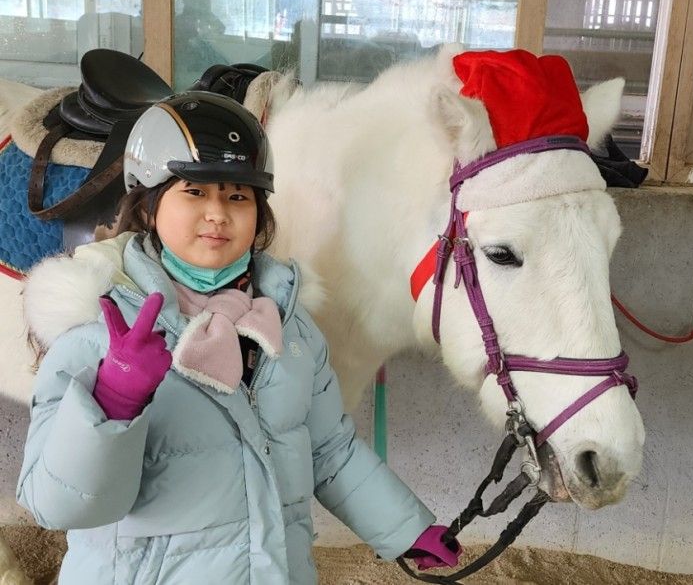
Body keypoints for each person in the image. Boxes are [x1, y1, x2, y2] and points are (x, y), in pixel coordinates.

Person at [16, 91, 462, 584]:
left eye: (237, 196)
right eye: (194, 192)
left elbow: (329, 449)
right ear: (148, 204)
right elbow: (54, 505)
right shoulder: (96, 329)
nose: (218, 213)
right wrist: (112, 403)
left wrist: (404, 527)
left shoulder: (288, 325)